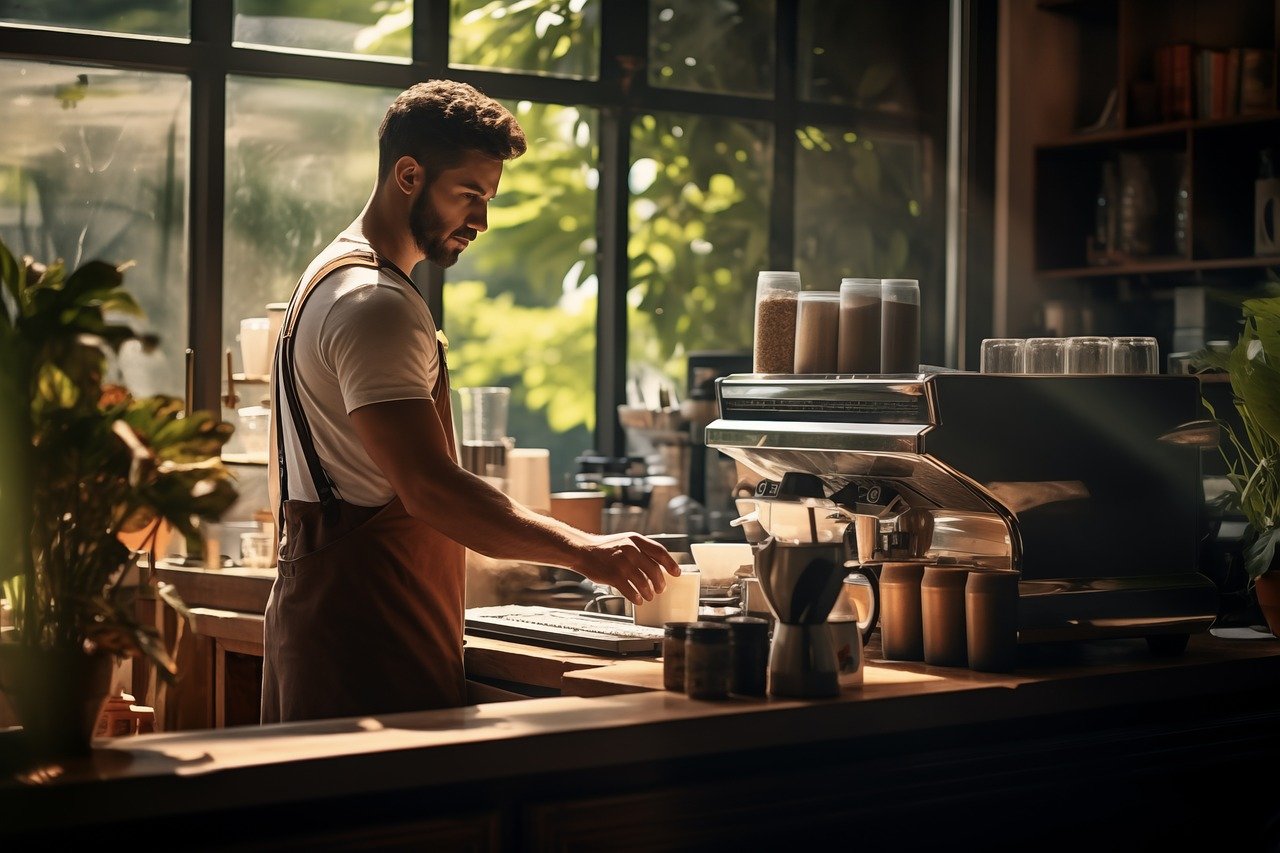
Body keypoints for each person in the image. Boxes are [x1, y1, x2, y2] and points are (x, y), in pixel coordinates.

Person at [261, 80, 680, 724]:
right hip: (370, 633)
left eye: (488, 198)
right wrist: (585, 551)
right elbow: (430, 491)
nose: (480, 220)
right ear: (408, 174)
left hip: (328, 619)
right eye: (469, 194)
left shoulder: (327, 278)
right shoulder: (376, 304)